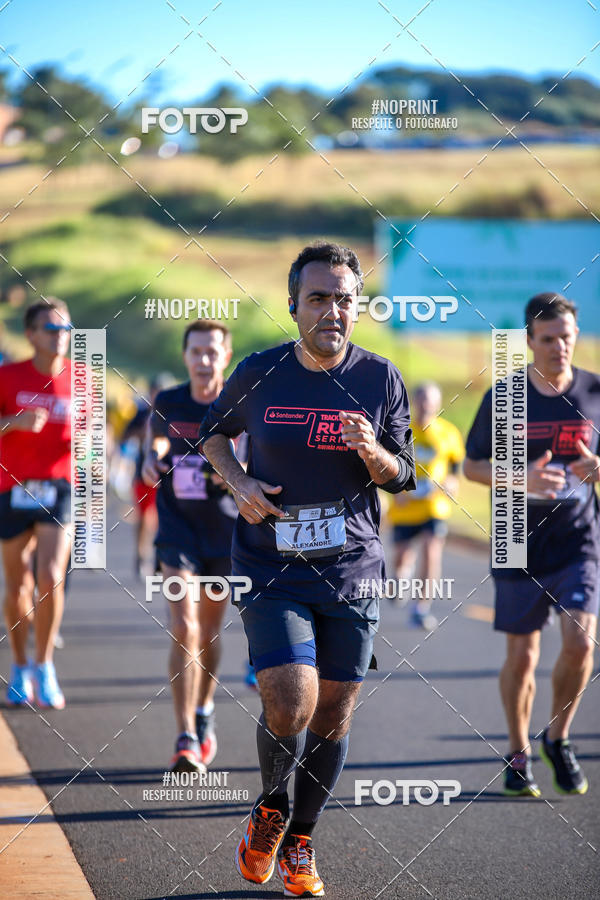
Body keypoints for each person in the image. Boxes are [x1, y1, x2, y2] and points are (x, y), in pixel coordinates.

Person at [200, 241, 415, 897]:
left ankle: (301, 839)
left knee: (334, 716)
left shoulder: (381, 379)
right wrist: (238, 483)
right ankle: (270, 808)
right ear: (294, 305)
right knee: (292, 699)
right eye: (319, 298)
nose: (333, 311)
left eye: (344, 299)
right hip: (271, 565)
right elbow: (212, 433)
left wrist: (372, 451)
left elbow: (404, 474)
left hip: (351, 571)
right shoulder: (260, 372)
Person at [464, 293, 598, 797]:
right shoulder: (504, 396)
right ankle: (519, 753)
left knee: (581, 643)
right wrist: (518, 479)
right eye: (548, 339)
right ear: (528, 342)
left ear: (576, 336)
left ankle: (558, 738)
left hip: (578, 539)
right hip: (516, 538)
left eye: (566, 336)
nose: (559, 347)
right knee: (522, 655)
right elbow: (471, 467)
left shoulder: (594, 391)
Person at [142, 321, 239, 772]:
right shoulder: (168, 402)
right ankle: (184, 737)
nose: (204, 361)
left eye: (212, 352)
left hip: (223, 534)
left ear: (225, 355)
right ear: (185, 357)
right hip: (177, 531)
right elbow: (153, 448)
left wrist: (233, 474)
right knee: (185, 628)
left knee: (210, 632)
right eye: (196, 352)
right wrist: (151, 461)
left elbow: (255, 459)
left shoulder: (238, 403)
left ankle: (204, 711)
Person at [0, 299, 73, 709]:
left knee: (49, 576)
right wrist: (15, 422)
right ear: (31, 334)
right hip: (10, 487)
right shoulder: (7, 376)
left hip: (59, 489)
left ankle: (45, 665)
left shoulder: (82, 379)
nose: (60, 337)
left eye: (65, 329)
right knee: (18, 587)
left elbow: (94, 445)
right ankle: (21, 665)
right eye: (51, 329)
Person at [387, 382, 464, 629]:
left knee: (432, 551)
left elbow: (455, 465)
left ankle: (421, 608)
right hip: (405, 507)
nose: (425, 407)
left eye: (430, 402)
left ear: (438, 404)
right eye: (421, 401)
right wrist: (394, 489)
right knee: (402, 557)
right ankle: (401, 578)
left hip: (434, 506)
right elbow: (384, 465)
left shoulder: (448, 432)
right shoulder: (401, 431)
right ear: (414, 402)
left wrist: (452, 482)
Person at [122, 373, 175, 578]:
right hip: (142, 474)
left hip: (168, 474)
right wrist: (142, 434)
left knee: (164, 519)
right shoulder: (142, 413)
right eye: (156, 392)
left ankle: (160, 559)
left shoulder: (173, 413)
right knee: (144, 518)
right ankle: (141, 555)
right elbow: (125, 435)